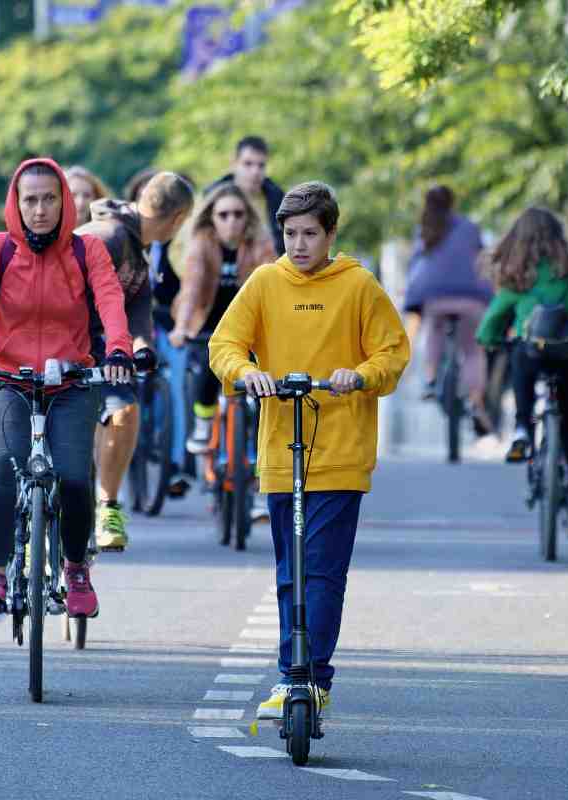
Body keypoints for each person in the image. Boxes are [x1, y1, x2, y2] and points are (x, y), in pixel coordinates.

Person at [209, 181, 410, 719]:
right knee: (289, 570)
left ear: (330, 234)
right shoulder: (265, 283)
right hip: (281, 449)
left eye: (309, 234)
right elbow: (223, 345)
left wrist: (360, 375)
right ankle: (292, 676)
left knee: (321, 570)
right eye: (290, 234)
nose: (298, 245)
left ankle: (308, 679)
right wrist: (247, 373)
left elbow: (393, 351)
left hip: (341, 452)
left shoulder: (359, 286)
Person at [0, 157, 134, 618]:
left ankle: (76, 571)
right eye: (31, 199)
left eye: (50, 198)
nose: (41, 209)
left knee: (71, 475)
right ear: (17, 203)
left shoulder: (88, 252)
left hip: (71, 381)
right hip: (7, 378)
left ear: (64, 201)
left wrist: (120, 351)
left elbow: (109, 299)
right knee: (5, 464)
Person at [75, 172, 196, 550]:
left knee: (125, 410)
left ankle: (107, 505)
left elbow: (139, 307)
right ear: (178, 220)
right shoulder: (106, 236)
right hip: (69, 345)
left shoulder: (136, 251)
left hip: (106, 349)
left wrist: (142, 345)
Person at [476, 207, 568, 540]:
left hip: (534, 357)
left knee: (520, 351)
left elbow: (492, 320)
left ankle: (521, 429)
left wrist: (490, 341)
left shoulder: (519, 275)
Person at [172, 183, 275, 457]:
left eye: (239, 214)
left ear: (248, 217)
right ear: (212, 217)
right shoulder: (202, 241)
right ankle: (204, 422)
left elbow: (274, 285)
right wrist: (182, 328)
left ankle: (256, 454)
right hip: (206, 325)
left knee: (265, 382)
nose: (232, 221)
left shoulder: (259, 242)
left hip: (249, 328)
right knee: (209, 363)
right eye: (224, 214)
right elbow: (191, 288)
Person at [402, 185, 495, 436]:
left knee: (433, 328)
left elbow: (415, 265)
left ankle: (431, 380)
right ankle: (476, 401)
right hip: (471, 297)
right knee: (474, 351)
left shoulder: (424, 229)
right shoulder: (470, 228)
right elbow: (481, 260)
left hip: (435, 297)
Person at [206, 136, 286, 255]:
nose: (255, 171)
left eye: (261, 165)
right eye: (248, 164)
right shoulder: (213, 198)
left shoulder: (279, 200)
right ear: (234, 164)